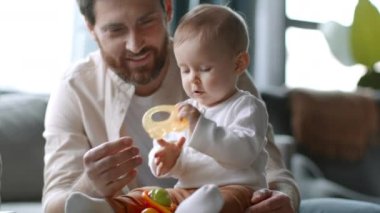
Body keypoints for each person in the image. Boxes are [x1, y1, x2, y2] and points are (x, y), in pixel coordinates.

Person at [43, 0, 300, 212]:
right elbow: (53, 204)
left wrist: (283, 199)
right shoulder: (75, 88)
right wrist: (90, 185)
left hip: (222, 196)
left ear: (167, 9)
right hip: (167, 196)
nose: (135, 44)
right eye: (115, 30)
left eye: (146, 21)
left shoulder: (219, 65)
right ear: (91, 29)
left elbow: (272, 169)